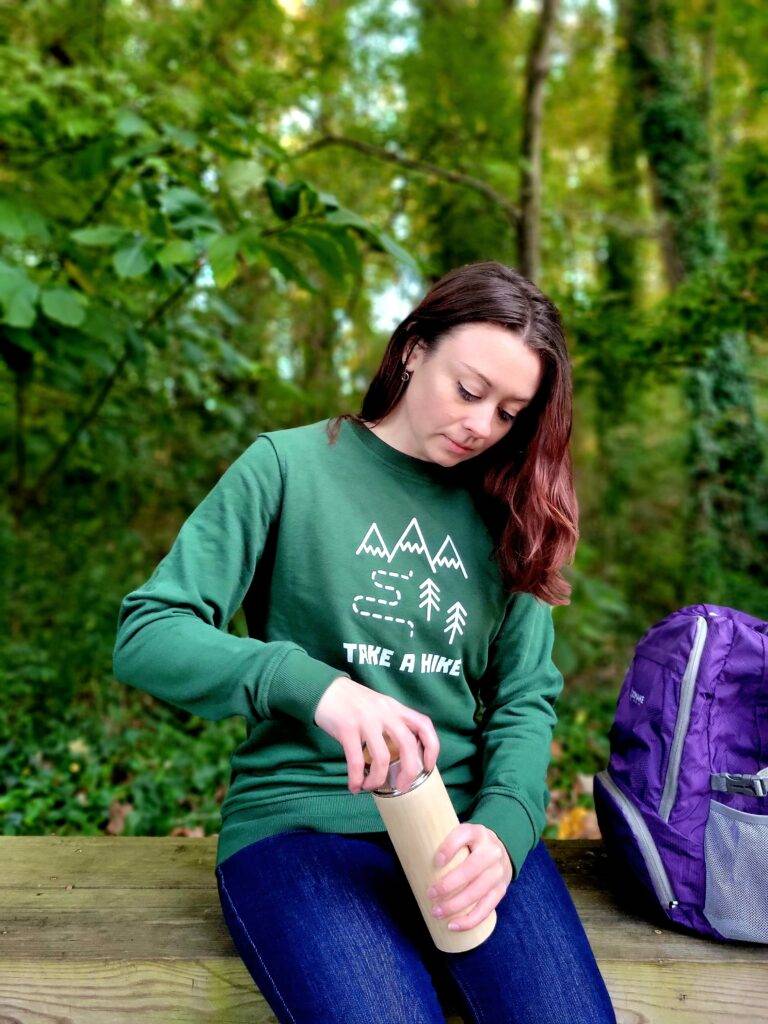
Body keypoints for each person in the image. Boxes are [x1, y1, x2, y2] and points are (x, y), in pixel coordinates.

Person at [113, 260, 617, 1024]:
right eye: (469, 390)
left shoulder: (512, 513)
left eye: (510, 413)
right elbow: (150, 633)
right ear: (414, 348)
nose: (482, 426)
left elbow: (524, 701)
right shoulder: (287, 468)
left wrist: (505, 829)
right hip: (301, 829)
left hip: (464, 832)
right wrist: (315, 687)